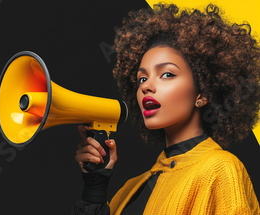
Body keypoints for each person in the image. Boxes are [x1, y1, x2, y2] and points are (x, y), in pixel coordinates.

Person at [71, 4, 260, 214]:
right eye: (142, 78)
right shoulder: (131, 189)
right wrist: (94, 188)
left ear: (203, 93)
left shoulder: (221, 169)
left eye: (167, 74)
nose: (146, 86)